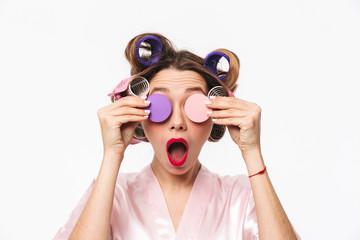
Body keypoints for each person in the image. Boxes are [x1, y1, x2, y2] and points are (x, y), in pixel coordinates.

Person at [54, 33, 300, 240]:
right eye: (161, 106)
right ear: (140, 114)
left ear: (215, 113)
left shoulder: (242, 197)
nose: (179, 122)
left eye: (193, 105)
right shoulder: (113, 194)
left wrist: (252, 152)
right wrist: (112, 154)